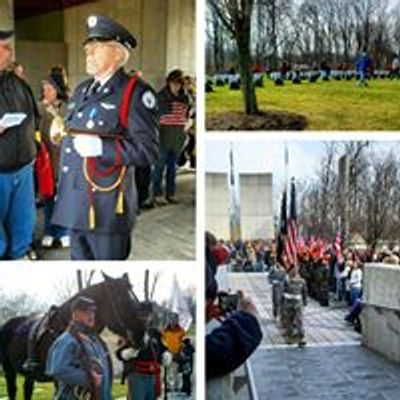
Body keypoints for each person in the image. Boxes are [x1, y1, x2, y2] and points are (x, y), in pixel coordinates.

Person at [51, 15, 159, 260]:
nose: (89, 53)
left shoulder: (135, 93)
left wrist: (102, 147)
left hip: (107, 206)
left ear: (118, 54)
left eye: (97, 48)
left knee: (109, 276)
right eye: (88, 48)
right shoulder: (81, 90)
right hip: (76, 203)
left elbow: (148, 150)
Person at [0, 29, 39, 260]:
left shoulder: (17, 83)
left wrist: (33, 152)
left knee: (24, 219)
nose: (10, 52)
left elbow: (34, 116)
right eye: (5, 47)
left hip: (24, 168)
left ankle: (20, 255)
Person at [46, 296, 112, 399]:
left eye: (93, 312)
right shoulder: (67, 340)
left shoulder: (95, 340)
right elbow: (58, 369)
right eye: (86, 312)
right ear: (75, 315)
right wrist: (89, 379)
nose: (91, 315)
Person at [38, 75, 70, 249]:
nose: (46, 92)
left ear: (57, 90)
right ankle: (49, 230)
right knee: (49, 197)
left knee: (64, 198)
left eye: (49, 89)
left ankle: (64, 231)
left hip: (65, 160)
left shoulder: (68, 109)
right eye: (44, 89)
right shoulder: (39, 109)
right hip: (47, 160)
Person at [153, 69, 190, 206]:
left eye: (179, 84)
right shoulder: (160, 97)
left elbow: (186, 116)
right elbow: (155, 117)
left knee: (172, 169)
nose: (176, 86)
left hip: (177, 137)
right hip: (163, 136)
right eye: (174, 83)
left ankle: (171, 193)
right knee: (159, 167)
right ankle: (157, 194)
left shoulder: (185, 98)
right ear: (169, 83)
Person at [116, 328, 171, 400]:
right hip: (137, 374)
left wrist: (165, 355)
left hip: (152, 375)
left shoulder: (155, 333)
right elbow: (120, 352)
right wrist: (127, 353)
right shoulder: (130, 331)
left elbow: (161, 349)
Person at [282, 268, 307, 346]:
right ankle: (300, 337)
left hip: (289, 303)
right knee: (299, 320)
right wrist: (305, 302)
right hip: (297, 302)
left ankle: (290, 337)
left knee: (289, 320)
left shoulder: (287, 281)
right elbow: (304, 292)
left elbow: (283, 291)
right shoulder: (302, 281)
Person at [161, 313, 186, 392]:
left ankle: (176, 386)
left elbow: (183, 341)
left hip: (177, 353)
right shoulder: (165, 330)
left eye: (175, 319)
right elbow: (162, 340)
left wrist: (181, 349)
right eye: (172, 319)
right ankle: (167, 386)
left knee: (176, 371)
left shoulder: (181, 330)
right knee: (167, 371)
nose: (173, 321)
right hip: (167, 353)